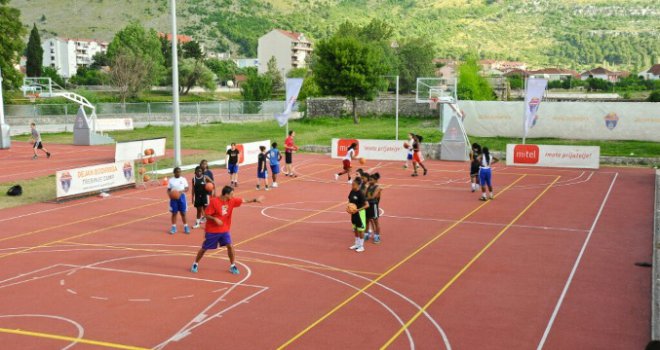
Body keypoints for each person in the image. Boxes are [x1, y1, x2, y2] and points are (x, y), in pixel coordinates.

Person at [190, 186, 263, 274]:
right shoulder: (214, 201)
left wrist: (255, 200)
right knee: (204, 248)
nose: (233, 196)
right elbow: (206, 215)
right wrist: (215, 219)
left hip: (224, 229)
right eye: (231, 194)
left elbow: (244, 200)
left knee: (230, 246)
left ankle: (232, 265)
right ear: (226, 194)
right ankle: (195, 263)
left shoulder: (231, 200)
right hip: (212, 230)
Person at [347, 177, 370, 253]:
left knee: (360, 230)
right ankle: (357, 244)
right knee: (355, 229)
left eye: (354, 185)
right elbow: (349, 200)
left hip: (360, 213)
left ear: (358, 185)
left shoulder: (361, 193)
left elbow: (367, 205)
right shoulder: (352, 191)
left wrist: (357, 210)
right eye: (352, 184)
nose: (352, 186)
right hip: (354, 213)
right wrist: (349, 207)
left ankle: (361, 246)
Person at [168, 167, 190, 234]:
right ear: (174, 173)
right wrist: (170, 195)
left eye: (179, 172)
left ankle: (186, 226)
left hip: (181, 197)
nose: (178, 173)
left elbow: (187, 188)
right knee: (174, 213)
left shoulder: (183, 179)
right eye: (177, 172)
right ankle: (174, 227)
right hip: (173, 199)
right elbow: (168, 189)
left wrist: (181, 191)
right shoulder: (171, 180)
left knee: (183, 213)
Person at [364, 173, 382, 244]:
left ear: (376, 180)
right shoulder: (368, 187)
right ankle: (366, 234)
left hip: (373, 205)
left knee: (375, 221)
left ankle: (377, 236)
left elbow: (372, 197)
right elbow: (364, 194)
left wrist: (363, 198)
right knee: (366, 220)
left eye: (371, 180)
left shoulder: (378, 187)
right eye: (369, 180)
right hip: (368, 205)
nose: (369, 181)